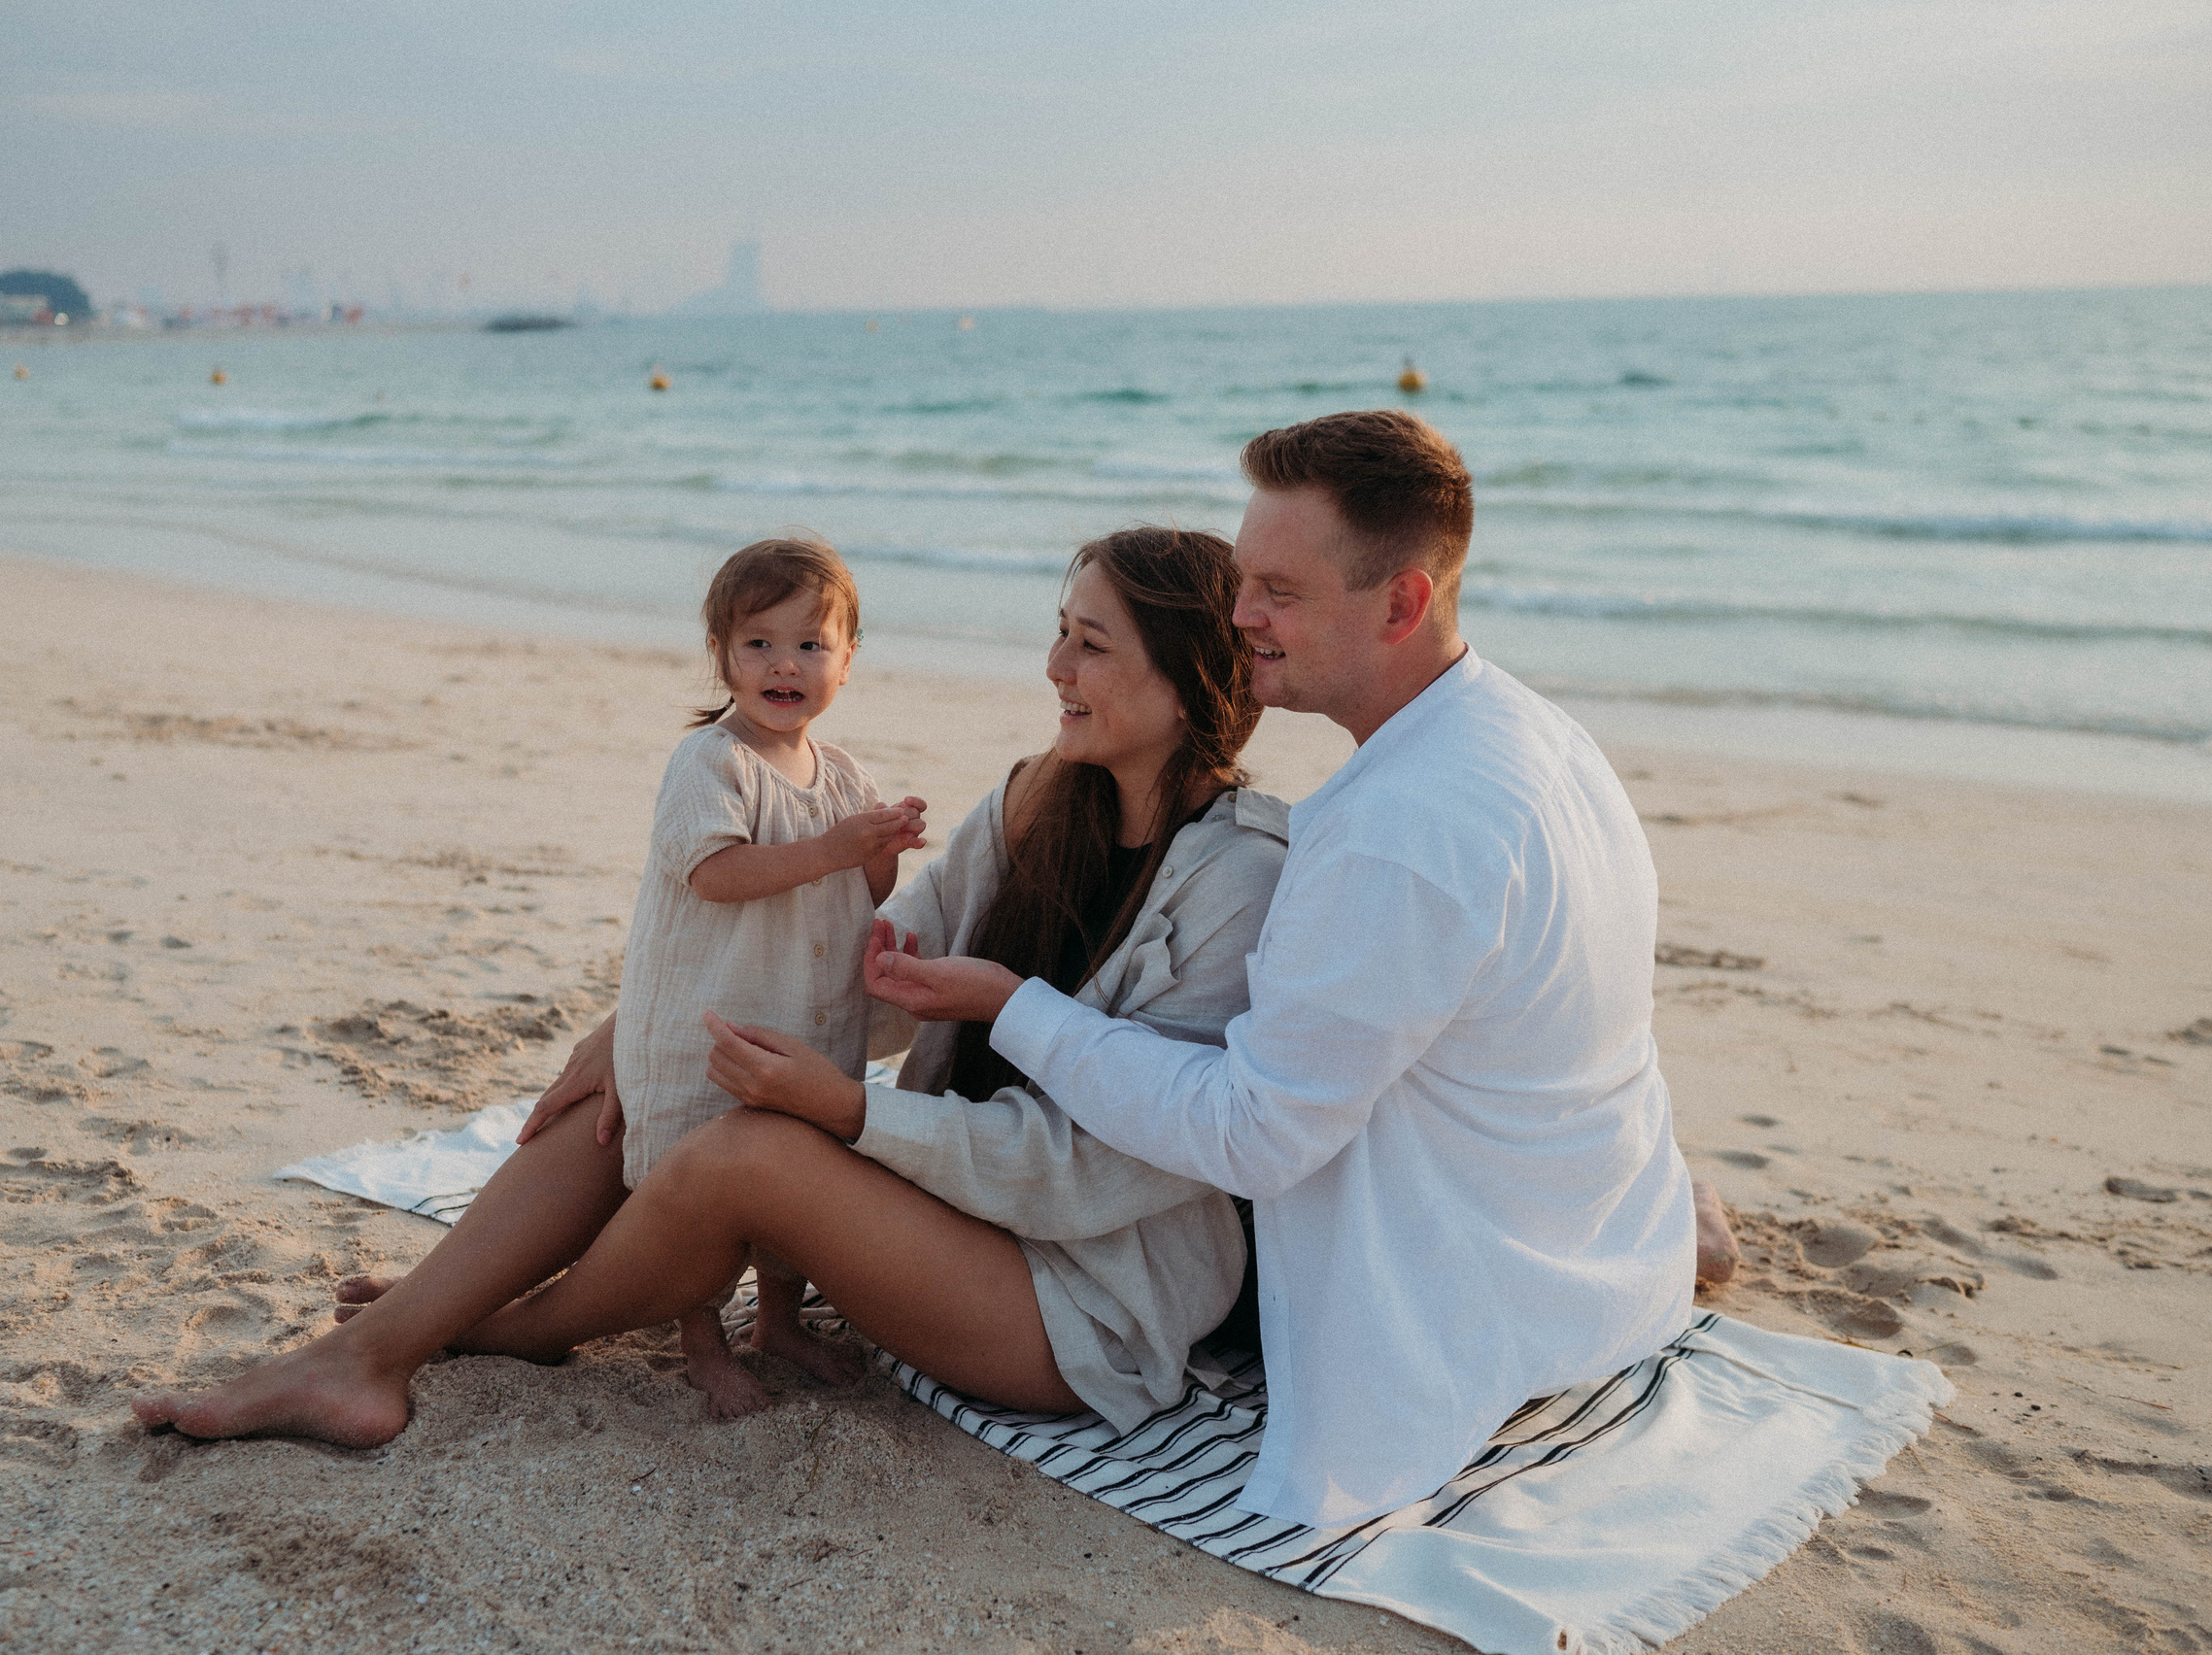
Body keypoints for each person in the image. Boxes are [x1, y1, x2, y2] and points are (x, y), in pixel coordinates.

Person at [130, 526, 1287, 1447]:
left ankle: (497, 1331)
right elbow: (872, 976)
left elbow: (1114, 1163)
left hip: (1072, 1297)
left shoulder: (1238, 881)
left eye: (1088, 644)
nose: (1052, 667)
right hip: (955, 1206)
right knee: (637, 1072)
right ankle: (379, 1349)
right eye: (1058, 632)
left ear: (1184, 681)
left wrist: (849, 1114)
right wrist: (641, 1026)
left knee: (748, 1151)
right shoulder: (1043, 794)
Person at [867, 410, 1705, 1527]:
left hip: (1487, 1308)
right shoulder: (1527, 729)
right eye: (1242, 578)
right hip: (1601, 1244)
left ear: (1401, 603)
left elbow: (1251, 1139)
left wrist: (1015, 1007)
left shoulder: (1391, 831)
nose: (1239, 613)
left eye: (1279, 592)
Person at [605, 536, 928, 1416]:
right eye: (759, 643)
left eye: (812, 645)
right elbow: (716, 873)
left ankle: (777, 1321)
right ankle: (702, 1340)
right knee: (697, 1194)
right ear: (723, 655)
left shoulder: (846, 775)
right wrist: (830, 847)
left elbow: (859, 892)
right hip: (712, 1020)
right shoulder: (711, 761)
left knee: (800, 1172)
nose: (786, 664)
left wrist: (878, 851)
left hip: (805, 1018)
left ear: (848, 662)